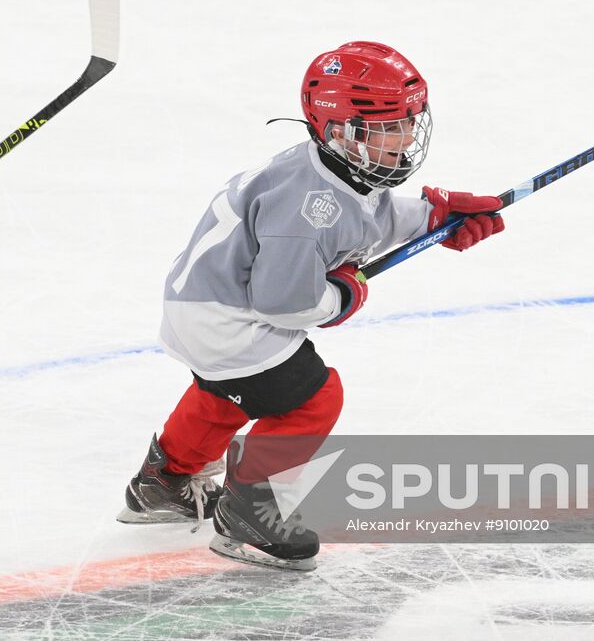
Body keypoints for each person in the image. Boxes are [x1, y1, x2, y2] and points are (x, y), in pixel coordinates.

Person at [118, 41, 505, 571]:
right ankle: (250, 509)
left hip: (200, 309)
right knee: (314, 398)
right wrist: (345, 294)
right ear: (341, 130)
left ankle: (161, 485)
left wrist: (434, 218)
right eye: (389, 127)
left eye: (410, 122)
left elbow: (368, 216)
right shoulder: (309, 208)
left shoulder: (326, 167)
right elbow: (283, 303)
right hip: (230, 320)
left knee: (226, 396)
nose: (408, 137)